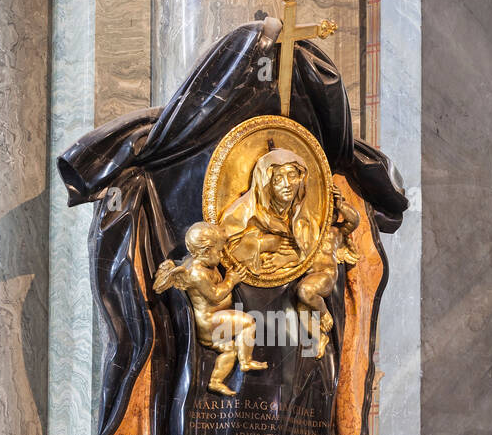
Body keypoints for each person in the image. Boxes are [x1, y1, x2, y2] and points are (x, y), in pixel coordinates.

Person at [154, 221, 267, 396]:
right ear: (206, 251)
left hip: (214, 321)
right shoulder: (197, 273)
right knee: (248, 322)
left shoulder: (206, 265)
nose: (222, 255)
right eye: (220, 250)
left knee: (229, 349)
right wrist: (231, 280)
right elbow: (215, 295)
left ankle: (216, 381)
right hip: (210, 324)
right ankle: (246, 361)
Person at [219, 146, 315, 281]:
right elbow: (224, 251)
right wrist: (265, 243)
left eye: (292, 176)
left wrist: (290, 257)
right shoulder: (245, 210)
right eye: (278, 178)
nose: (287, 184)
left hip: (287, 279)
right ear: (266, 183)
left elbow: (312, 247)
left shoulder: (299, 211)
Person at [296, 187, 360, 358]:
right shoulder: (309, 230)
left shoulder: (336, 232)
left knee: (305, 291)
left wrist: (342, 205)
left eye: (333, 210)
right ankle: (320, 338)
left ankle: (325, 315)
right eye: (326, 208)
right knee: (302, 312)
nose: (329, 213)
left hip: (326, 275)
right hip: (309, 276)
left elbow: (354, 221)